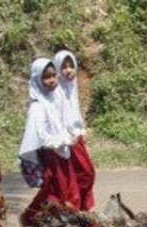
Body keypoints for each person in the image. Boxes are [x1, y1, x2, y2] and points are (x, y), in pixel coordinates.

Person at [18, 57, 79, 227]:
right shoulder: (37, 107)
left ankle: (58, 223)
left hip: (62, 152)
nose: (52, 80)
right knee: (57, 194)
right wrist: (65, 140)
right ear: (38, 79)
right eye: (47, 77)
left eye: (54, 75)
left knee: (66, 192)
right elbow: (41, 136)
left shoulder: (54, 98)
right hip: (52, 156)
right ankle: (31, 218)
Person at [52, 49, 96, 211]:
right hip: (66, 142)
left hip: (77, 138)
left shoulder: (72, 86)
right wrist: (67, 137)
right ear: (57, 69)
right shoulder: (56, 91)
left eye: (71, 66)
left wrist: (79, 132)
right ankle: (78, 210)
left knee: (83, 175)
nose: (68, 70)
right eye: (64, 67)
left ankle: (80, 210)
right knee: (84, 175)